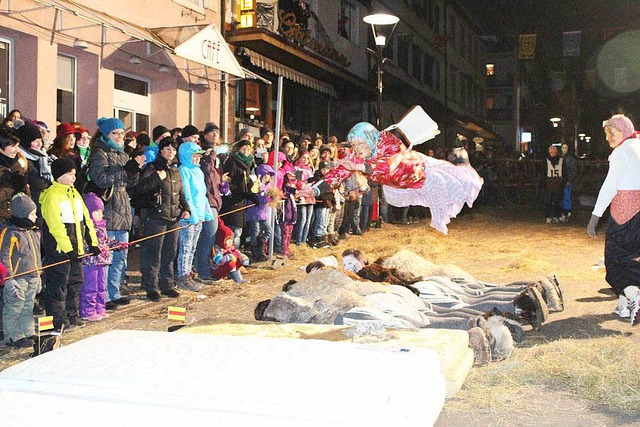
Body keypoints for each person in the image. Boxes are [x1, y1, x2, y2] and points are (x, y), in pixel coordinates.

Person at [324, 122, 483, 235]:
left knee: (460, 182)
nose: (357, 148)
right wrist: (314, 189)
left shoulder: (388, 142)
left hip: (422, 172)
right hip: (399, 187)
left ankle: (462, 163)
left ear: (370, 139)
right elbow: (338, 173)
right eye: (354, 145)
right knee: (395, 197)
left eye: (360, 144)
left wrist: (359, 167)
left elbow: (389, 164)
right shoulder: (356, 155)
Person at [587, 114, 640, 325]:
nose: (609, 137)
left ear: (624, 130)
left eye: (613, 132)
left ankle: (634, 295)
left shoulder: (621, 153)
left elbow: (610, 186)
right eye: (607, 133)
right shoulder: (638, 145)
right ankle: (624, 305)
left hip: (623, 211)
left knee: (615, 259)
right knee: (633, 255)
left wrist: (595, 215)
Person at [88, 117, 145, 310]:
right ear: (106, 135)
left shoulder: (122, 153)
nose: (120, 137)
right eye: (116, 134)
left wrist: (135, 169)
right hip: (109, 208)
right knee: (108, 255)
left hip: (123, 206)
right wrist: (126, 170)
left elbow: (130, 182)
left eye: (122, 133)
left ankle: (115, 291)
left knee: (121, 255)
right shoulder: (100, 153)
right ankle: (104, 296)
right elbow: (101, 179)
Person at [40, 157, 99, 332]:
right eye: (70, 174)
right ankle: (58, 319)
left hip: (77, 249)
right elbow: (56, 226)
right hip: (61, 251)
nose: (73, 177)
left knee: (75, 283)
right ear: (59, 175)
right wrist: (68, 249)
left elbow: (86, 220)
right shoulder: (52, 196)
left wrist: (92, 242)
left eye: (74, 173)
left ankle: (72, 315)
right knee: (58, 286)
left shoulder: (74, 194)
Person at [137, 137, 190, 301]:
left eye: (173, 150)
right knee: (153, 252)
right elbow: (141, 188)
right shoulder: (153, 168)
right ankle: (151, 286)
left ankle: (167, 284)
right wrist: (156, 178)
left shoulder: (175, 170)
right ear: (161, 151)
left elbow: (180, 193)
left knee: (170, 252)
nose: (171, 152)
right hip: (155, 216)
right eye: (167, 149)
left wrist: (186, 208)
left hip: (173, 216)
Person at [0, 193, 41, 347]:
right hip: (18, 278)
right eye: (33, 214)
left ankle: (27, 330)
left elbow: (37, 256)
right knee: (15, 306)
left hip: (32, 275)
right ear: (22, 214)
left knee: (28, 305)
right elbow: (4, 258)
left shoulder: (31, 232)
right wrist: (9, 279)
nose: (36, 217)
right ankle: (13, 335)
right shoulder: (10, 233)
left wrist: (38, 274)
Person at [80, 193, 126, 321]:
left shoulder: (102, 227)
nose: (100, 214)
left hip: (103, 261)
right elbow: (85, 244)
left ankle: (100, 308)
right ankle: (88, 310)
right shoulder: (86, 229)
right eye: (96, 212)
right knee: (91, 286)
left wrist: (118, 244)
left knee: (101, 285)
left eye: (101, 212)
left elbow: (106, 241)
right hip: (91, 262)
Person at [177, 140, 213, 291]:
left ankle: (189, 272)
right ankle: (182, 275)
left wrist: (206, 211)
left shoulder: (198, 171)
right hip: (189, 217)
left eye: (199, 156)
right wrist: (192, 213)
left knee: (193, 247)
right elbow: (187, 194)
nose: (197, 158)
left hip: (199, 215)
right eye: (194, 156)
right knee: (185, 246)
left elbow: (202, 194)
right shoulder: (183, 170)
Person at [195, 123, 226, 284]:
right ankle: (202, 271)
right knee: (207, 238)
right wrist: (211, 156)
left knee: (209, 238)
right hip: (207, 201)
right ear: (205, 135)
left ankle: (203, 269)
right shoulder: (205, 153)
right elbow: (206, 172)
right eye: (211, 133)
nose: (215, 136)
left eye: (217, 133)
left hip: (214, 199)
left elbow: (214, 177)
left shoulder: (217, 155)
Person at [245, 163, 275, 262]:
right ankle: (255, 251)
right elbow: (257, 198)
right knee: (255, 231)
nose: (267, 177)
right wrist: (267, 198)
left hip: (263, 213)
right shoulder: (256, 185)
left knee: (269, 231)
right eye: (265, 174)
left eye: (269, 175)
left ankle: (260, 245)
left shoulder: (269, 186)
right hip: (254, 212)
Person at [0, 127, 29, 225]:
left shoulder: (18, 164)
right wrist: (10, 187)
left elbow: (26, 195)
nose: (16, 150)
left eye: (18, 145)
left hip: (17, 218)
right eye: (13, 146)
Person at [211, 218, 244, 284]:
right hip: (218, 269)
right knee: (230, 264)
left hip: (227, 269)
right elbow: (217, 261)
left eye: (231, 240)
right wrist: (227, 257)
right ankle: (238, 280)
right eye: (227, 240)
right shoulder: (217, 249)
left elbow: (238, 253)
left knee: (236, 261)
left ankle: (235, 276)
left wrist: (242, 258)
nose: (230, 242)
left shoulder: (231, 248)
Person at [542, 144, 565, 224]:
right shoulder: (546, 160)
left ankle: (556, 216)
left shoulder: (561, 160)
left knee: (557, 200)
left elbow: (564, 171)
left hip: (558, 182)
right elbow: (543, 172)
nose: (552, 151)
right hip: (549, 181)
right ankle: (548, 217)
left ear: (556, 151)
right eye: (551, 150)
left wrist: (564, 181)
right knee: (548, 201)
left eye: (554, 150)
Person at [560, 143, 578, 222]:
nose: (564, 149)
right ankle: (564, 213)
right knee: (562, 197)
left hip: (567, 181)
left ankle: (567, 213)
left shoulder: (570, 159)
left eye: (566, 148)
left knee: (566, 197)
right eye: (563, 148)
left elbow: (573, 170)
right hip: (561, 180)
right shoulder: (561, 158)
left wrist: (569, 180)